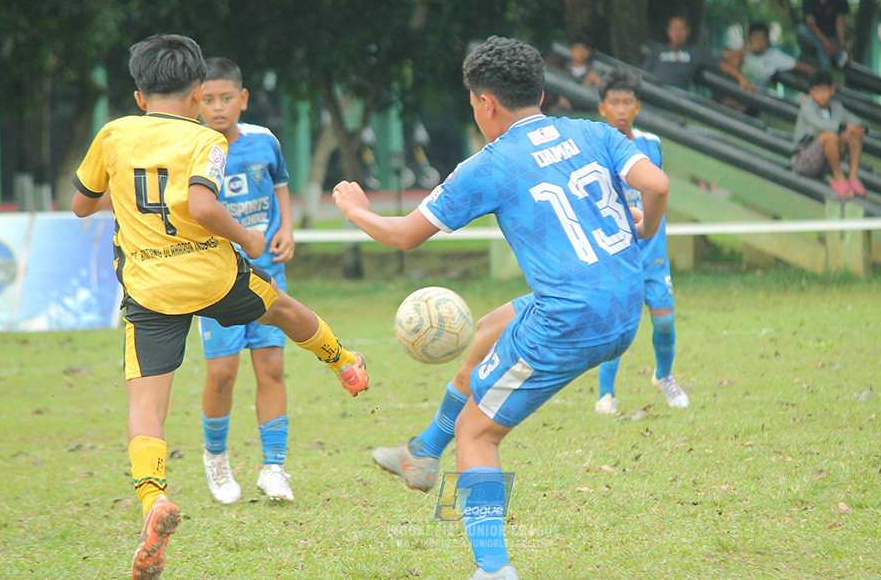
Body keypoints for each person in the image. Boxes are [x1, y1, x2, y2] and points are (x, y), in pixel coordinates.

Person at [333, 36, 669, 580]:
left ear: (486, 103)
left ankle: (493, 568)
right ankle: (422, 453)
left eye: (472, 103)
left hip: (569, 321)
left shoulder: (489, 164)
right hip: (625, 305)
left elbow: (402, 236)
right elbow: (656, 183)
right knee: (492, 327)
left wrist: (354, 210)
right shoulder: (593, 131)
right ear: (537, 89)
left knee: (478, 433)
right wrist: (643, 230)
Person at [71, 34, 369, 580]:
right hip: (212, 276)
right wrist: (250, 240)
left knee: (146, 402)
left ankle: (153, 498)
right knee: (281, 309)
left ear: (140, 96)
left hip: (149, 289)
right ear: (196, 95)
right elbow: (202, 205)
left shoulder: (112, 134)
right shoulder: (206, 141)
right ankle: (344, 361)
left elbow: (80, 205)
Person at [195, 58, 297, 504]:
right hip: (216, 279)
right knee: (221, 373)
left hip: (268, 273)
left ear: (243, 99)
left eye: (227, 99)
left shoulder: (264, 140)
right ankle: (216, 460)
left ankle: (274, 467)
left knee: (271, 367)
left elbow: (279, 184)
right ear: (196, 101)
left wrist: (287, 228)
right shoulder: (193, 149)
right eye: (209, 99)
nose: (219, 108)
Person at [593, 69, 687, 413]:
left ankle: (664, 376)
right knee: (617, 325)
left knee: (663, 321)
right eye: (614, 102)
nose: (620, 109)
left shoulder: (651, 144)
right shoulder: (594, 148)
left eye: (627, 103)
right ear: (602, 108)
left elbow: (657, 191)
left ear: (638, 107)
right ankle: (606, 394)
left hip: (653, 254)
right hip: (617, 255)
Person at [792, 70, 867, 199]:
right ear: (811, 92)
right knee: (830, 136)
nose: (821, 95)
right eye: (817, 91)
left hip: (826, 161)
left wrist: (859, 129)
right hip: (804, 160)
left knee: (854, 135)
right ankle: (838, 178)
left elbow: (857, 121)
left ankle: (853, 177)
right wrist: (846, 127)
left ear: (832, 90)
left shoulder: (836, 107)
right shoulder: (808, 107)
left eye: (825, 91)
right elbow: (821, 124)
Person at [643, 15, 754, 92]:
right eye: (675, 28)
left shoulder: (696, 52)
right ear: (668, 31)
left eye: (682, 29)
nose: (678, 32)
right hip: (654, 92)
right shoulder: (657, 51)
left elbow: (721, 64)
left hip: (677, 96)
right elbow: (644, 74)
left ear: (688, 32)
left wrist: (740, 77)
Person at [723, 22, 815, 90]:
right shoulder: (741, 52)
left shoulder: (774, 56)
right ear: (749, 38)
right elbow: (725, 57)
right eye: (756, 38)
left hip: (755, 91)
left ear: (767, 40)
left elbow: (801, 66)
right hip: (734, 86)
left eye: (762, 38)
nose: (759, 42)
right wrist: (749, 49)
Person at [796, 0, 850, 72]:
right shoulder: (809, 1)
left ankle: (827, 83)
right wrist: (826, 44)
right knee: (801, 30)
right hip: (812, 37)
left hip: (832, 39)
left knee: (823, 53)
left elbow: (839, 22)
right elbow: (811, 25)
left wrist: (842, 45)